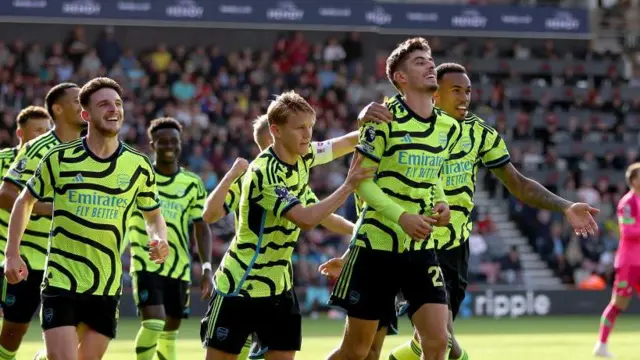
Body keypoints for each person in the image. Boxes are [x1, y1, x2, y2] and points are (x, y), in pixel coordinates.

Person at [321, 62, 600, 360]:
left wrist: (566, 205)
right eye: (455, 90)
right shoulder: (399, 119)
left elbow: (518, 184)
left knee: (439, 343)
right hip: (398, 241)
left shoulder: (479, 134)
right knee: (369, 349)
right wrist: (364, 114)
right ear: (434, 94)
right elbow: (364, 157)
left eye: (467, 91)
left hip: (450, 249)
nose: (465, 97)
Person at [4, 77, 169, 360]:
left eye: (117, 103)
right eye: (103, 104)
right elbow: (24, 200)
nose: (113, 109)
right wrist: (11, 253)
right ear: (86, 114)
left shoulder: (139, 165)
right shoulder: (59, 158)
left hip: (106, 285)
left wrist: (159, 237)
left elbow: (153, 215)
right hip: (61, 281)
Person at [200, 91, 373, 360]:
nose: (307, 134)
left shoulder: (303, 157)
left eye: (310, 127)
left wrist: (387, 122)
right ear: (276, 131)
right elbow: (305, 219)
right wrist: (348, 185)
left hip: (279, 288)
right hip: (241, 286)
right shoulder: (263, 173)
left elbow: (345, 143)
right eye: (300, 128)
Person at [326, 37, 459, 360]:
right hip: (376, 247)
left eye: (430, 59)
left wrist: (443, 205)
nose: (430, 64)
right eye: (419, 61)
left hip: (420, 249)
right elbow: (361, 183)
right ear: (400, 77)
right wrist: (402, 217)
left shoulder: (447, 126)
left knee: (439, 341)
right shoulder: (381, 120)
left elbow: (432, 177)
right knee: (357, 351)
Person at [0, 83, 84, 360]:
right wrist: (49, 208)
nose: (83, 104)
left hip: (72, 257)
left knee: (84, 327)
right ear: (58, 109)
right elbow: (7, 194)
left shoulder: (93, 145)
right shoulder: (38, 149)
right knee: (15, 329)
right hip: (30, 255)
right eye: (76, 100)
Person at [129, 117, 213, 360]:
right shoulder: (139, 179)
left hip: (179, 269)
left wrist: (206, 267)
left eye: (173, 141)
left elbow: (201, 226)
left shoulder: (192, 184)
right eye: (162, 141)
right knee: (154, 323)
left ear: (180, 143)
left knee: (170, 332)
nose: (169, 146)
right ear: (152, 144)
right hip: (146, 263)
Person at [0, 106, 51, 320]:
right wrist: (42, 208)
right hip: (4, 252)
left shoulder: (53, 164)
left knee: (17, 326)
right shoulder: (2, 160)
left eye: (47, 131)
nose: (44, 136)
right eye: (38, 130)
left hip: (41, 259)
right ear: (20, 133)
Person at [594, 162, 640, 358]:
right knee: (618, 303)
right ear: (634, 180)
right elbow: (628, 232)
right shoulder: (627, 203)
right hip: (629, 262)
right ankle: (601, 345)